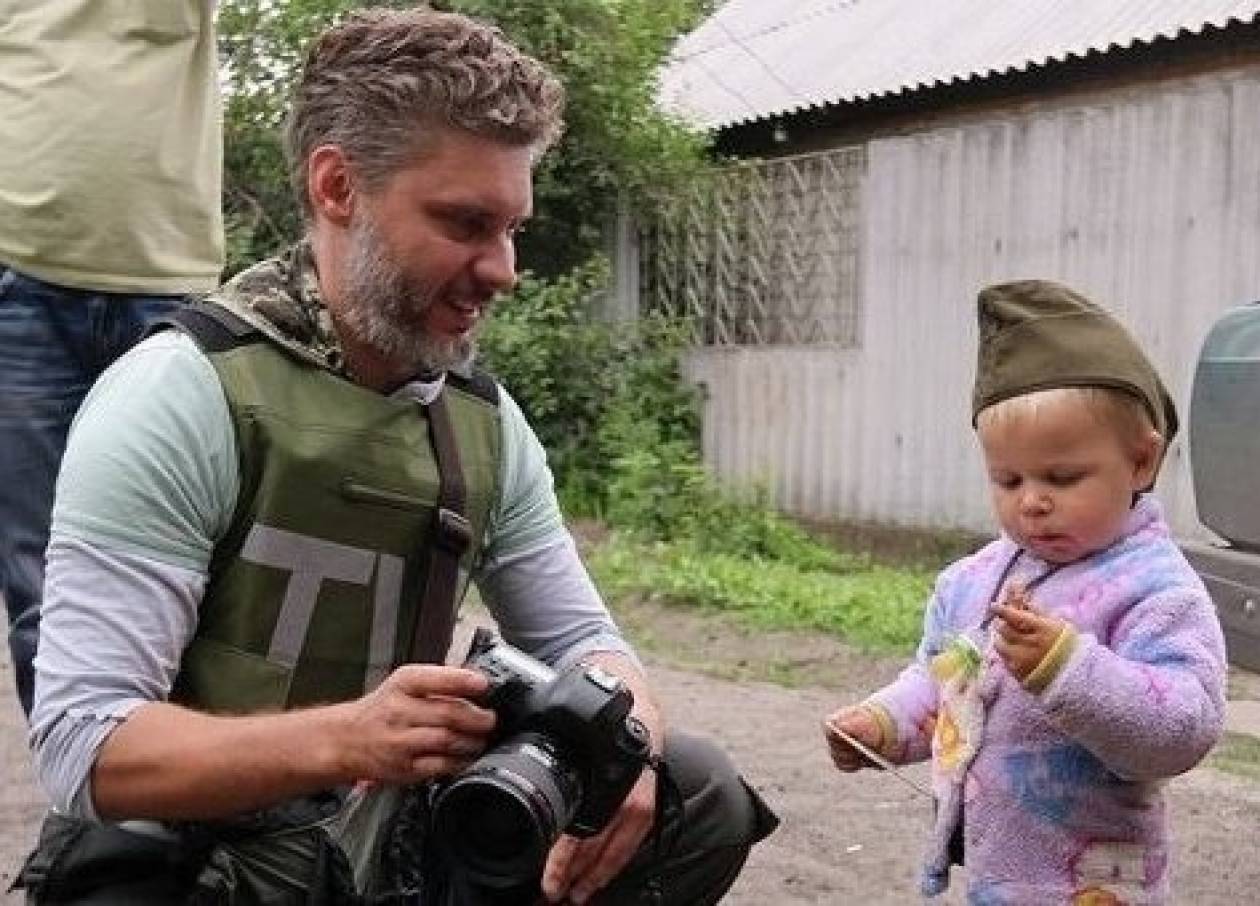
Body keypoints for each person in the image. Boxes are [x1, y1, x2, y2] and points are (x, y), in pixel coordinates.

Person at [20, 8, 776, 905]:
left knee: (695, 786)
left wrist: (627, 740)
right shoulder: (181, 395)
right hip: (203, 863)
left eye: (512, 228)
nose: (502, 269)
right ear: (338, 188)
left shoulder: (483, 422)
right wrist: (348, 739)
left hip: (396, 849)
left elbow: (582, 641)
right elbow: (83, 744)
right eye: (465, 222)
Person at [822, 280, 1226, 904]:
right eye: (1007, 479)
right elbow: (940, 684)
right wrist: (881, 723)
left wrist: (1071, 670)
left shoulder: (1156, 589)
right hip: (995, 879)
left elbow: (1184, 728)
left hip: (1097, 886)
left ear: (1141, 462)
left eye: (1062, 477)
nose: (1032, 500)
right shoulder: (973, 581)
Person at [0, 0, 225, 717]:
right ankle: (92, 818)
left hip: (166, 286)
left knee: (199, 579)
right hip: (18, 278)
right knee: (41, 587)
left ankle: (203, 792)